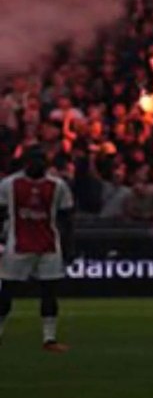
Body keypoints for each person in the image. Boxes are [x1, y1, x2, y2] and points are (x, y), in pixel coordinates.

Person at [0, 145, 74, 352]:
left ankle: (49, 339)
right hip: (17, 245)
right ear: (26, 162)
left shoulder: (57, 186)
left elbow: (66, 218)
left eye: (41, 160)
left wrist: (69, 247)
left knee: (49, 291)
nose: (38, 165)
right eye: (34, 160)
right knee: (6, 292)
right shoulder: (9, 184)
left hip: (49, 245)